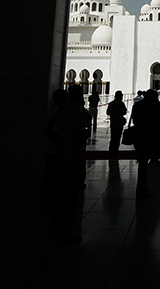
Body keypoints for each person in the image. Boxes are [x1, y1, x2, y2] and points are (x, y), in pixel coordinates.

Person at [45, 83, 91, 243]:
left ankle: (53, 228)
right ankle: (67, 230)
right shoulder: (79, 111)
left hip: (61, 155)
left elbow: (48, 128)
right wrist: (84, 133)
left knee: (59, 193)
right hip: (75, 157)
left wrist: (58, 141)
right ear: (80, 95)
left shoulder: (61, 109)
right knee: (72, 195)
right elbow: (81, 132)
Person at [132, 89, 160, 197]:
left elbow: (134, 119)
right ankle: (143, 189)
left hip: (139, 137)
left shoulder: (138, 105)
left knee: (142, 164)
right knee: (145, 165)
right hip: (150, 137)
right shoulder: (155, 105)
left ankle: (140, 189)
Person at [106, 90, 127, 157]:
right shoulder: (121, 103)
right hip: (119, 123)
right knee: (117, 138)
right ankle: (115, 152)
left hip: (113, 123)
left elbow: (107, 112)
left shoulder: (111, 103)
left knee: (113, 138)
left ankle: (111, 152)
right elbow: (124, 112)